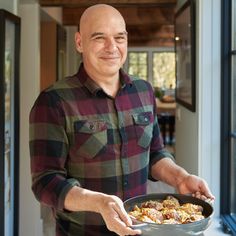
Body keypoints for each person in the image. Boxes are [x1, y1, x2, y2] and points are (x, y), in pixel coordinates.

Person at [29, 4, 215, 236]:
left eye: (119, 37)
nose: (112, 47)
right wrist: (98, 203)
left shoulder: (143, 91)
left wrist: (181, 178)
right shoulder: (54, 101)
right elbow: (45, 182)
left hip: (143, 230)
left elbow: (154, 153)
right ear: (79, 42)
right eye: (99, 37)